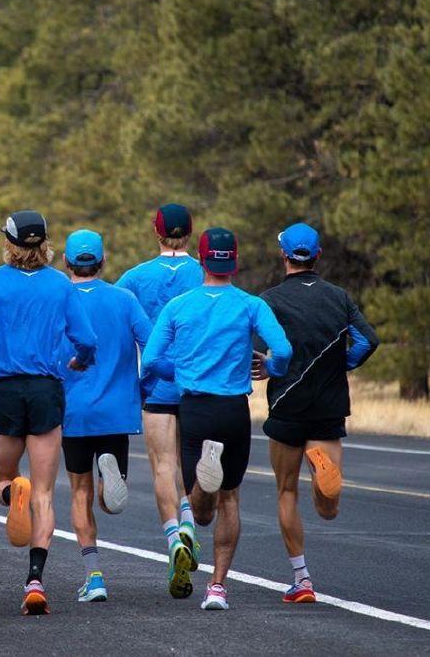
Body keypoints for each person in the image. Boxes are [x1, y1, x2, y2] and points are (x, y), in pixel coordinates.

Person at [142, 227, 292, 611]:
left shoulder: (178, 306)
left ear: (202, 260)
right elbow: (284, 350)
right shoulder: (251, 305)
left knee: (200, 510)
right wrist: (271, 367)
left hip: (195, 407)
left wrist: (180, 371)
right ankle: (217, 587)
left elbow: (152, 361)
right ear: (234, 261)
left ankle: (199, 491)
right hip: (233, 410)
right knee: (230, 498)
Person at [0, 210, 97, 615]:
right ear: (45, 243)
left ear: (10, 243)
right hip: (46, 390)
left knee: (2, 478)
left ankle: (10, 493)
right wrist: (81, 360)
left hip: (5, 389)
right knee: (44, 492)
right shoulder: (60, 285)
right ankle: (35, 580)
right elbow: (86, 339)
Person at [254, 222, 378, 604]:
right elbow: (368, 340)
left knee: (286, 491)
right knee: (328, 508)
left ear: (283, 255)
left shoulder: (270, 300)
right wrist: (343, 363)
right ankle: (319, 461)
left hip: (287, 404)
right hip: (329, 404)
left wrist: (270, 367)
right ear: (318, 256)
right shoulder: (339, 297)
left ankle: (302, 579)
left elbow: (256, 349)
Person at [116, 203, 204, 598]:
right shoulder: (205, 273)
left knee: (163, 466)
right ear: (190, 232)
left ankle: (174, 539)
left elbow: (110, 313)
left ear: (157, 233)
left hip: (156, 386)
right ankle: (190, 523)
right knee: (193, 466)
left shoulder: (135, 277)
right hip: (199, 386)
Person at [57, 229, 151, 603]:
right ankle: (109, 483)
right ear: (103, 261)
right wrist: (144, 386)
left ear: (66, 263)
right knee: (108, 501)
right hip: (116, 411)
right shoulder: (124, 298)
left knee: (79, 493)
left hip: (74, 411)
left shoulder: (58, 299)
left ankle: (94, 577)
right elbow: (152, 344)